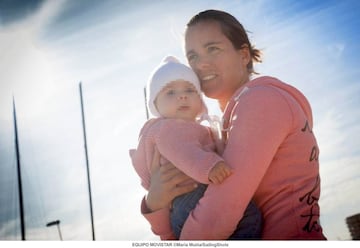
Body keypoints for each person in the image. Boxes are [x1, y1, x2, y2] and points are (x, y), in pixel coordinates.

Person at [140, 9, 327, 240]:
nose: (201, 64)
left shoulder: (262, 101)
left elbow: (219, 214)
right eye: (193, 57)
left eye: (212, 49)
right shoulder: (218, 127)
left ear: (244, 55)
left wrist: (167, 231)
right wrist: (155, 202)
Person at [129, 55, 262, 239]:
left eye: (190, 90)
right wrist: (210, 166)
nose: (182, 95)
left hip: (181, 208)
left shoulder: (186, 128)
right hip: (192, 195)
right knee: (249, 216)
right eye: (170, 92)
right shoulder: (168, 128)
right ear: (155, 105)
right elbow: (185, 152)